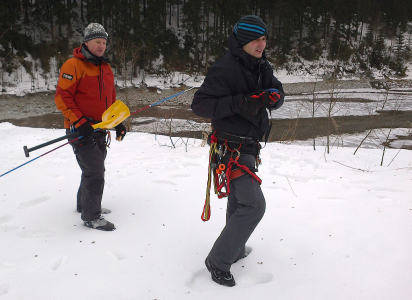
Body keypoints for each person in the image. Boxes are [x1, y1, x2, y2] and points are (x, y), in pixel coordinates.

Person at [191, 15, 285, 286]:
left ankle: (234, 248)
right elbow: (200, 106)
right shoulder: (224, 68)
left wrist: (275, 98)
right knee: (254, 206)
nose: (261, 44)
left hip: (248, 145)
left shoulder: (261, 65)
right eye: (256, 39)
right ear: (243, 40)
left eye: (264, 38)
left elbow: (276, 89)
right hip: (228, 148)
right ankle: (218, 260)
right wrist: (241, 103)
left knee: (239, 202)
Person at [54, 23, 126, 231]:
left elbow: (110, 99)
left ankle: (84, 205)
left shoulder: (106, 68)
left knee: (92, 168)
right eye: (97, 42)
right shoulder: (73, 65)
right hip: (80, 130)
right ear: (87, 42)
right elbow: (62, 97)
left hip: (100, 128)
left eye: (104, 42)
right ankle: (91, 216)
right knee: (94, 170)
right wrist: (79, 121)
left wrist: (117, 122)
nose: (102, 46)